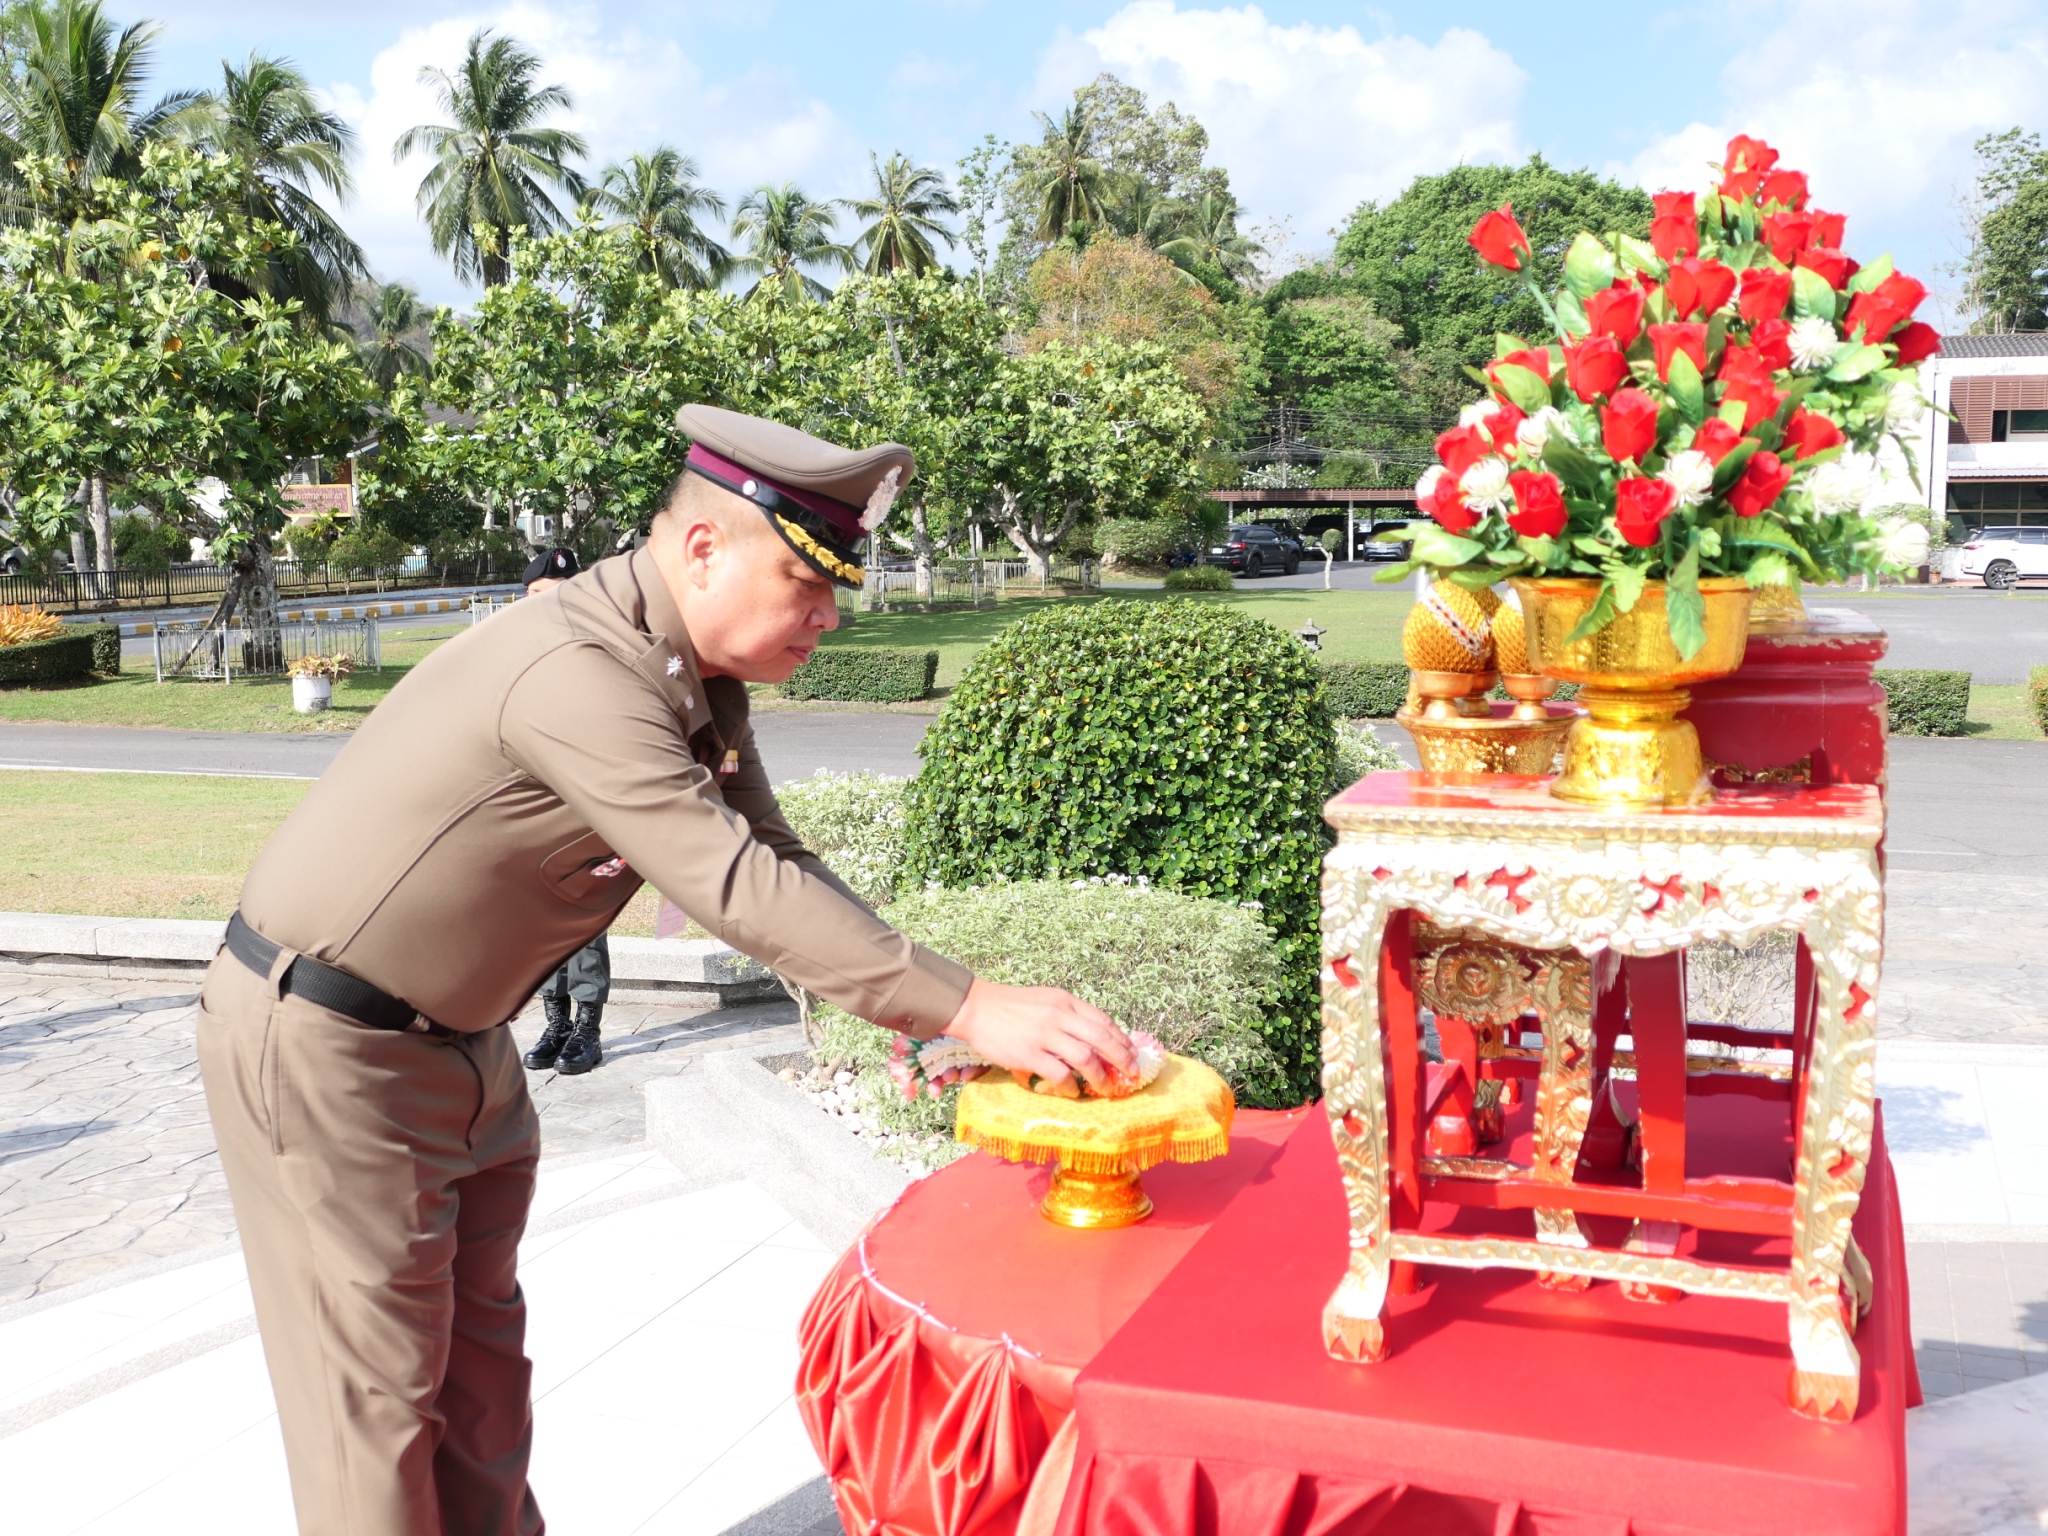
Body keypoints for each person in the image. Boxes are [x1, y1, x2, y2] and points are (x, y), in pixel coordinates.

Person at [195, 403, 1132, 1536]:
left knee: (481, 1392)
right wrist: (971, 1007)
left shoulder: (691, 678)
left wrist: (947, 1008)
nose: (829, 616)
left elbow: (774, 858)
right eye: (806, 583)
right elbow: (729, 885)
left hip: (461, 1047)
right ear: (702, 549)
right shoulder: (577, 671)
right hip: (329, 1048)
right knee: (376, 1424)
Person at [515, 547, 612, 1075]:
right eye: (535, 594)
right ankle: (556, 1023)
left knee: (584, 917)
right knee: (540, 918)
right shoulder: (515, 649)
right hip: (536, 798)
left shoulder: (598, 646)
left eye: (556, 593)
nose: (544, 603)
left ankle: (588, 1030)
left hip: (587, 799)